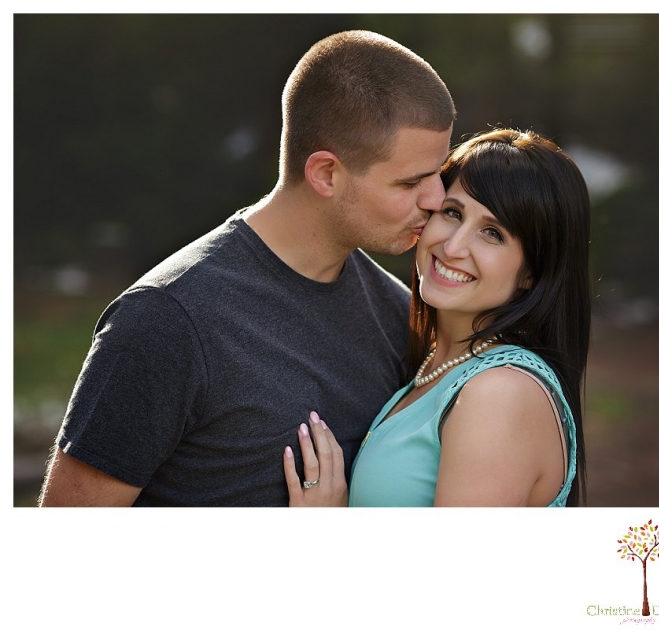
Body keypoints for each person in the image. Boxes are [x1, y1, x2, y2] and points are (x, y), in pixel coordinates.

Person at [38, 30, 456, 506]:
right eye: (410, 183)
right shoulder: (166, 321)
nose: (437, 200)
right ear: (325, 174)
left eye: (438, 174)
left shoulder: (399, 313)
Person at [284, 128, 591, 507]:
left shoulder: (501, 394)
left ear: (533, 273)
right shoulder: (436, 366)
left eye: (493, 233)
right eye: (452, 213)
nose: (453, 246)